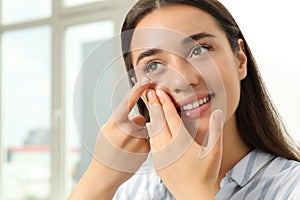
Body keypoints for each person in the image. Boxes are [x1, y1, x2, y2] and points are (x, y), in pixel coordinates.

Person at [68, 0, 300, 199]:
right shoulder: (132, 192)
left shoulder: (292, 187)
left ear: (239, 60)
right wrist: (97, 179)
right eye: (154, 65)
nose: (183, 80)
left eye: (199, 50)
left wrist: (192, 190)